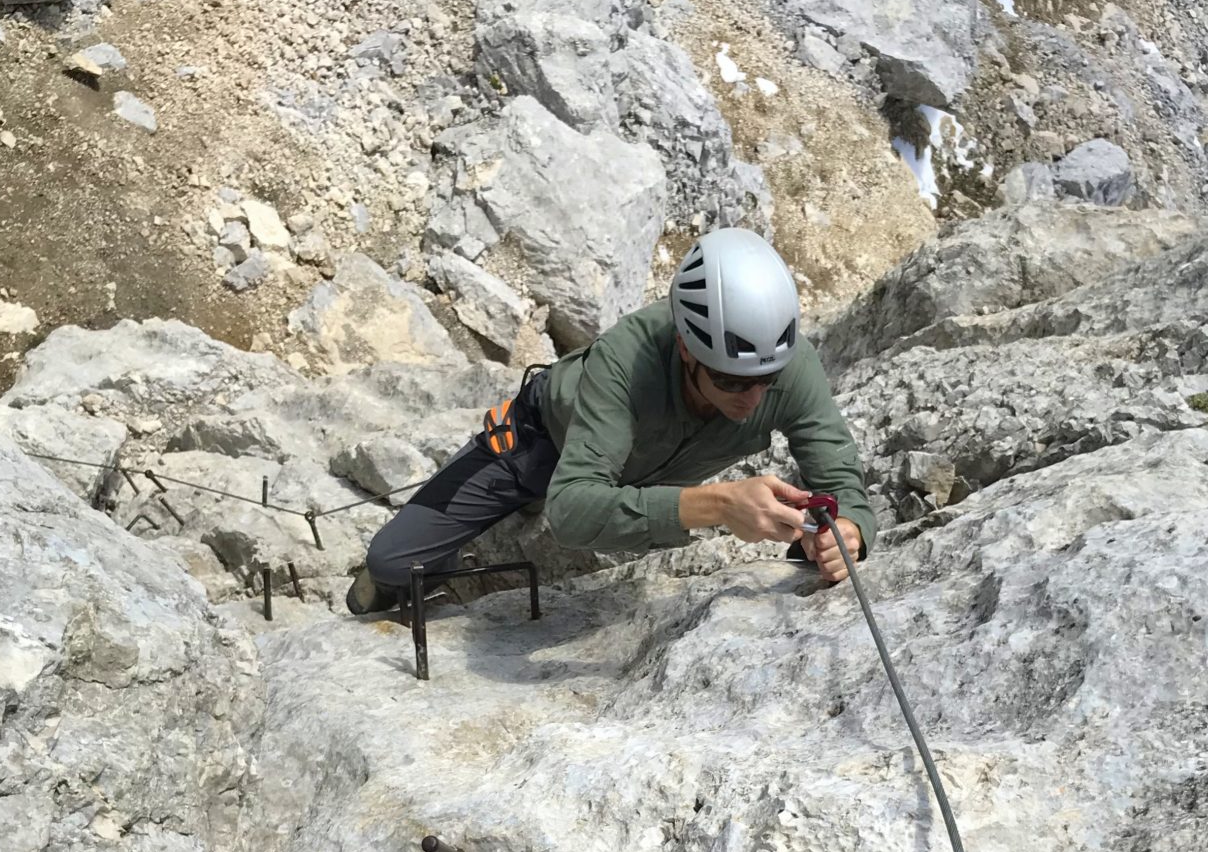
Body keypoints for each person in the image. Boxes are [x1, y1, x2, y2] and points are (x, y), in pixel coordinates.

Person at [345, 227, 874, 616]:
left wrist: (848, 531)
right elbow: (572, 514)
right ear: (688, 349)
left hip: (639, 474)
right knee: (394, 564)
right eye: (732, 382)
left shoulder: (789, 365)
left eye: (767, 380)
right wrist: (716, 504)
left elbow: (840, 475)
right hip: (539, 445)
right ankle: (454, 550)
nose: (754, 399)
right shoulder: (626, 360)